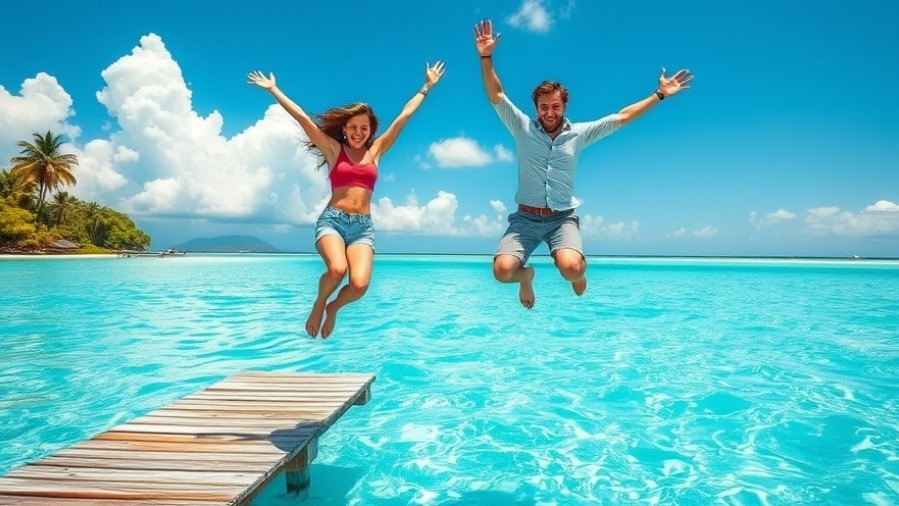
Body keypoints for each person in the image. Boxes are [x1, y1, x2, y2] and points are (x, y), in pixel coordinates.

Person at [473, 19, 692, 309]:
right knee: (502, 272)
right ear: (536, 108)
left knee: (572, 269)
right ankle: (527, 277)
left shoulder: (580, 133)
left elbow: (622, 117)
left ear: (564, 107)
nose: (549, 112)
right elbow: (496, 95)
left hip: (561, 218)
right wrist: (486, 57)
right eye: (543, 106)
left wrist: (660, 95)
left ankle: (576, 272)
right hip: (525, 218)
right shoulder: (521, 127)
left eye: (555, 106)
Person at [248, 62, 446, 338]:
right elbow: (303, 118)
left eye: (364, 128)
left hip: (363, 228)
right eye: (352, 127)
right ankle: (319, 304)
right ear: (344, 129)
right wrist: (274, 89)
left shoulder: (376, 151)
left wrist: (426, 87)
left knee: (360, 285)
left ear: (370, 130)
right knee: (338, 268)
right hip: (333, 222)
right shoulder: (333, 149)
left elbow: (403, 117)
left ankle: (333, 307)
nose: (358, 132)